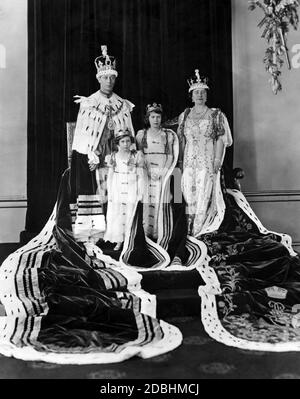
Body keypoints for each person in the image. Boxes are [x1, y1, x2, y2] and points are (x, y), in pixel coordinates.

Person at [70, 45, 135, 244]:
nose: (109, 81)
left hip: (116, 156)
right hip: (93, 156)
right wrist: (91, 154)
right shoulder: (88, 103)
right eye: (105, 78)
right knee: (95, 188)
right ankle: (94, 233)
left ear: (115, 79)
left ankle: (116, 233)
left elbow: (129, 135)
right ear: (99, 79)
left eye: (112, 78)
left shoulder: (122, 104)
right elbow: (81, 136)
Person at [177, 69, 232, 238]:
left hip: (207, 162)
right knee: (188, 193)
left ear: (206, 95)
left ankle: (199, 232)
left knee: (203, 194)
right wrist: (179, 162)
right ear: (191, 96)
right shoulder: (185, 115)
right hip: (188, 162)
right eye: (196, 92)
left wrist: (217, 160)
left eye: (202, 92)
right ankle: (188, 230)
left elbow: (222, 140)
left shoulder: (216, 115)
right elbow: (181, 140)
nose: (199, 95)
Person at [136, 103, 178, 242]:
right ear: (148, 118)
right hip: (146, 171)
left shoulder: (167, 135)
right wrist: (146, 171)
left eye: (158, 117)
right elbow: (139, 155)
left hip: (162, 172)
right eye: (152, 117)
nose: (155, 120)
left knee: (162, 200)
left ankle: (160, 233)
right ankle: (147, 233)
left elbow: (171, 155)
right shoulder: (141, 134)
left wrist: (163, 171)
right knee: (148, 201)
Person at [104, 129, 146, 251]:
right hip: (118, 187)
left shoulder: (135, 155)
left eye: (128, 141)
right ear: (118, 143)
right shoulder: (113, 156)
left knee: (129, 213)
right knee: (117, 214)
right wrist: (110, 191)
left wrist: (140, 192)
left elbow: (140, 176)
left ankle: (129, 239)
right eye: (123, 141)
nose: (126, 144)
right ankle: (119, 240)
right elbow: (111, 176)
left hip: (131, 187)